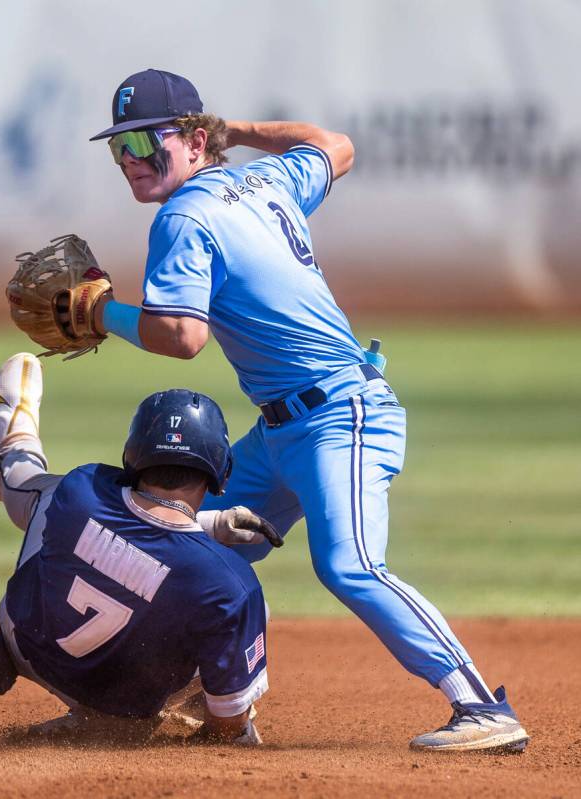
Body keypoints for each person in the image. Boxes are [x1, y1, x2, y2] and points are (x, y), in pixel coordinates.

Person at [83, 68, 529, 752]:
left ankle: (478, 705)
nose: (132, 161)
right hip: (283, 427)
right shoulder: (266, 181)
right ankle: (201, 705)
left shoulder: (184, 215)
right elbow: (335, 145)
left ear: (195, 140)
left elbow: (181, 335)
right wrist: (242, 134)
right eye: (119, 148)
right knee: (181, 537)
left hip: (341, 415)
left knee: (348, 565)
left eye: (146, 141)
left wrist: (99, 312)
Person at [0, 351, 281, 743]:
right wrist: (208, 527)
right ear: (221, 469)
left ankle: (14, 431)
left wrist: (209, 525)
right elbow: (228, 727)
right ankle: (116, 722)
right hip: (127, 702)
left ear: (133, 455)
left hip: (26, 645)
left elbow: (131, 529)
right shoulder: (230, 582)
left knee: (40, 493)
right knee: (244, 617)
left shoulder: (79, 491)